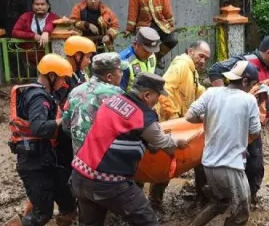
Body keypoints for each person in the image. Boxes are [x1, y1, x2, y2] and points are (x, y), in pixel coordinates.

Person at [69, 73, 189, 226]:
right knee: (147, 221)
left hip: (80, 175)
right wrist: (178, 142)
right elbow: (166, 145)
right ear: (146, 95)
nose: (158, 101)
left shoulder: (112, 100)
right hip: (108, 182)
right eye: (157, 96)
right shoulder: (143, 116)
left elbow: (122, 135)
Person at [207, 34, 269, 204]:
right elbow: (214, 69)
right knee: (232, 161)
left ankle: (249, 198)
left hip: (252, 125)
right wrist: (224, 97)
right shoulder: (246, 62)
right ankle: (220, 198)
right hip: (234, 124)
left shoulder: (268, 69)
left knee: (255, 164)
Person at [185, 60, 262, 226]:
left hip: (209, 163)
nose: (251, 88)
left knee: (220, 202)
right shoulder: (249, 100)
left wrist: (209, 119)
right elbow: (255, 132)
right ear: (245, 81)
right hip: (230, 166)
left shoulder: (212, 92)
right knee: (241, 213)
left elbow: (190, 116)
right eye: (252, 84)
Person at [6, 53, 77, 226]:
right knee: (42, 214)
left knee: (67, 200)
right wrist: (63, 120)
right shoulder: (38, 97)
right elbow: (40, 128)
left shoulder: (37, 91)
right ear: (51, 76)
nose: (63, 84)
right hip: (33, 163)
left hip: (44, 158)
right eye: (61, 79)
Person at [148, 40, 212, 209]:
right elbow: (164, 88)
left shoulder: (193, 71)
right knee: (166, 161)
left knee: (198, 157)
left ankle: (202, 196)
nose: (203, 61)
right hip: (171, 123)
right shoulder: (182, 64)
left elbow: (200, 92)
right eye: (201, 56)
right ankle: (154, 201)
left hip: (183, 123)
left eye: (206, 58)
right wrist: (174, 116)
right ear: (191, 51)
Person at [62, 52, 127, 154]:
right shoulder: (117, 94)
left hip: (79, 162)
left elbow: (65, 126)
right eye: (120, 71)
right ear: (109, 77)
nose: (122, 74)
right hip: (103, 161)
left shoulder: (75, 91)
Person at [124, 0, 177, 66]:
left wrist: (171, 22)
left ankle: (158, 56)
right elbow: (132, 12)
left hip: (161, 23)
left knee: (172, 41)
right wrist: (129, 29)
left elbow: (167, 9)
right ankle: (150, 62)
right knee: (148, 46)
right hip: (144, 26)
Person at [11, 0, 60, 69]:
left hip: (48, 55)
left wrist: (46, 32)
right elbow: (15, 32)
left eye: (42, 4)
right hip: (29, 56)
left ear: (48, 6)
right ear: (32, 6)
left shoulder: (53, 17)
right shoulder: (26, 16)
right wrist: (33, 36)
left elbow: (51, 23)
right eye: (37, 4)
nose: (39, 7)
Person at [119, 26, 160, 91]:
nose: (149, 55)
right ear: (135, 44)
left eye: (152, 51)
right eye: (145, 50)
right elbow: (119, 93)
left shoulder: (151, 56)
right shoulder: (124, 63)